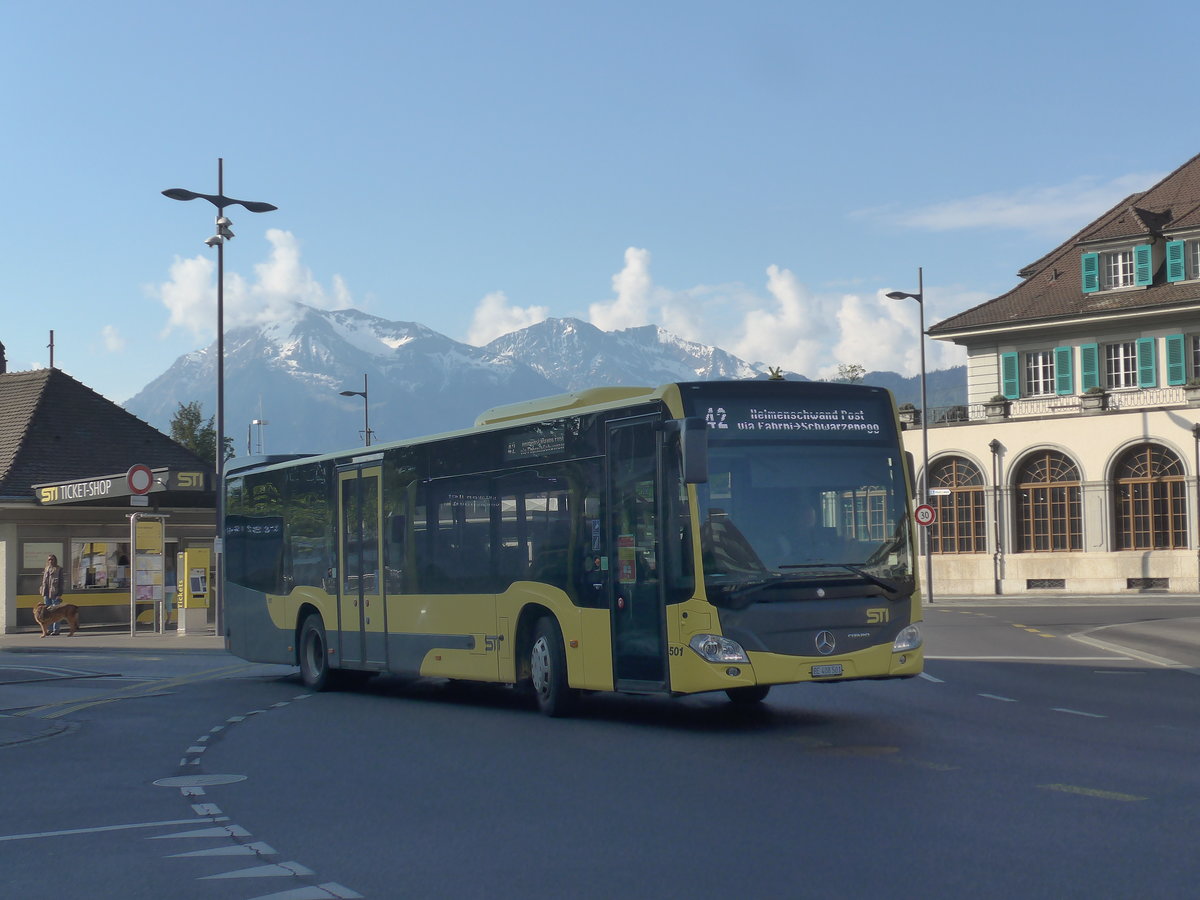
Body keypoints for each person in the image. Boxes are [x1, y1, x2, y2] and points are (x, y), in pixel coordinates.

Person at [40, 555, 65, 635]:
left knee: (56, 612)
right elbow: (44, 581)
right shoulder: (46, 569)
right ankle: (49, 629)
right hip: (46, 593)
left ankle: (56, 629)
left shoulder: (59, 569)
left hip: (55, 593)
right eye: (49, 559)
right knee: (47, 612)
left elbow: (61, 583)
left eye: (52, 559)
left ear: (55, 560)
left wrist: (59, 594)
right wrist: (42, 590)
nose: (51, 561)